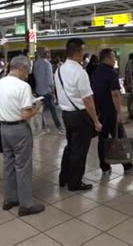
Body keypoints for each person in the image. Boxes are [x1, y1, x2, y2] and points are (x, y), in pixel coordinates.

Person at [0, 55, 45, 216]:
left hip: (3, 129)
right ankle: (26, 204)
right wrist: (37, 107)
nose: (28, 73)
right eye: (28, 70)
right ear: (22, 68)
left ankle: (9, 199)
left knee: (8, 164)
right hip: (19, 130)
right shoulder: (23, 86)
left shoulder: (0, 82)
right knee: (23, 167)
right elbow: (25, 114)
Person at [55, 38, 102, 191]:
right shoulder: (80, 72)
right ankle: (75, 182)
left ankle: (64, 177)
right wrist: (95, 120)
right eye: (83, 51)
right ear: (77, 52)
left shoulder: (59, 70)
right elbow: (88, 100)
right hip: (80, 116)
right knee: (80, 150)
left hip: (66, 115)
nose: (84, 54)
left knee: (70, 146)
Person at [91, 48, 133, 176]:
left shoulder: (95, 72)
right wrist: (119, 112)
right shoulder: (111, 73)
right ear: (107, 58)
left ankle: (105, 167)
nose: (115, 60)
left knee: (102, 140)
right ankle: (128, 167)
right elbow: (115, 93)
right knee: (121, 139)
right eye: (113, 57)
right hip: (111, 112)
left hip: (100, 112)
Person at [33, 47, 64, 134]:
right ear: (46, 54)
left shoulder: (36, 63)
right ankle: (60, 127)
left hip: (38, 90)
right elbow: (50, 81)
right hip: (46, 90)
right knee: (53, 109)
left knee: (41, 109)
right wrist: (53, 92)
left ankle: (42, 127)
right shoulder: (47, 64)